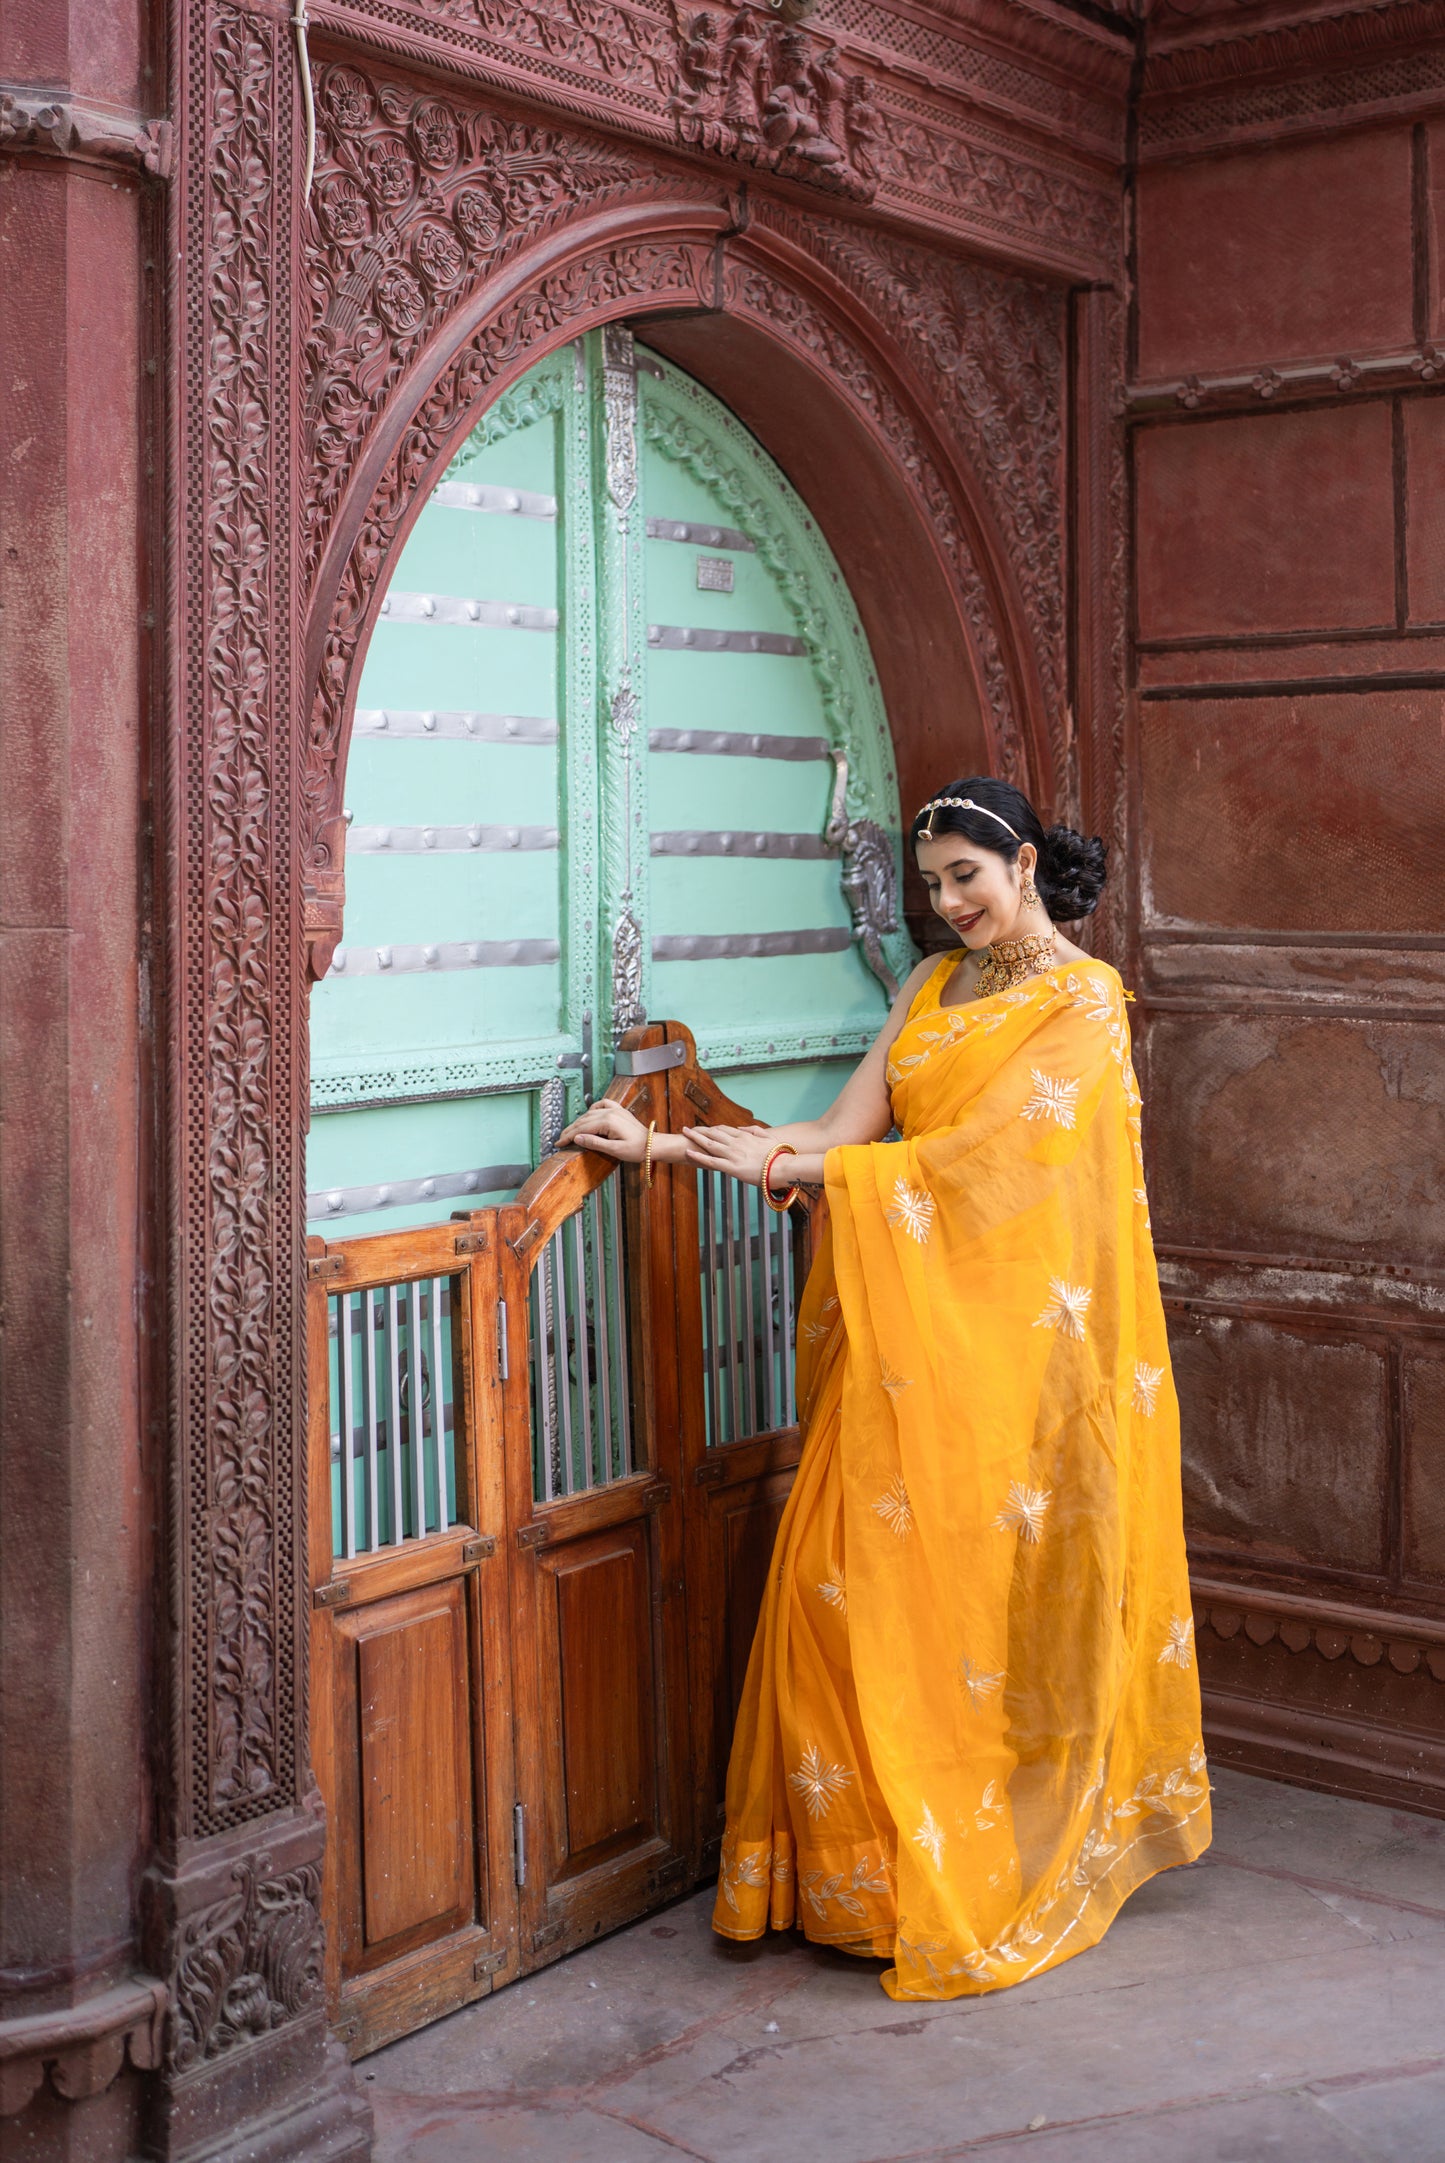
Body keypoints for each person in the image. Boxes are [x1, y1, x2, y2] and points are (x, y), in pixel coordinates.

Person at [560, 775, 1209, 1999]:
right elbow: (846, 1136)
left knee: (970, 1599)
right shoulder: (923, 988)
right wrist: (656, 1147)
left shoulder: (1082, 1001)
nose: (949, 903)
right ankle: (859, 1873)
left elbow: (997, 1167)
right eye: (931, 885)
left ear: (1023, 865)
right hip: (895, 1342)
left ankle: (967, 1849)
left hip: (1011, 1350)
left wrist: (798, 1170)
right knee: (838, 1589)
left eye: (967, 874)